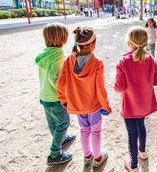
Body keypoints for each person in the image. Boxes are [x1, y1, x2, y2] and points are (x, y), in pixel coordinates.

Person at [56, 26, 111, 168]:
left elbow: (60, 84)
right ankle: (98, 158)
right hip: (93, 106)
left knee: (84, 131)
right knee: (96, 131)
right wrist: (105, 105)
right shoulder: (97, 62)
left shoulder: (69, 60)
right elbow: (100, 88)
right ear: (93, 44)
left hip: (77, 106)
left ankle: (87, 156)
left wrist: (64, 100)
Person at [114, 27, 157, 172]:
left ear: (129, 43)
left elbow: (119, 87)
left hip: (130, 105)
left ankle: (133, 165)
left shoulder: (123, 61)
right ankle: (142, 151)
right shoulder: (151, 59)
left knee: (132, 134)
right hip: (144, 105)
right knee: (141, 126)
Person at [35, 22, 76, 165]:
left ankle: (61, 139)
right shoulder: (59, 56)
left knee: (53, 123)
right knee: (63, 123)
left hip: (45, 96)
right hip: (55, 98)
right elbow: (56, 79)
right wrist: (65, 97)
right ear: (62, 39)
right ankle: (54, 154)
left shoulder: (45, 54)